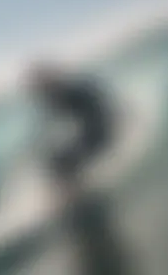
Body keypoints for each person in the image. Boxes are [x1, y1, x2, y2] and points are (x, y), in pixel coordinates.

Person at [28, 62, 115, 197]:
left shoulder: (74, 90)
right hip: (89, 131)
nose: (40, 89)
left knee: (62, 162)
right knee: (54, 160)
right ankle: (72, 189)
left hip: (102, 130)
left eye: (42, 83)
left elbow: (99, 110)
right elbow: (51, 120)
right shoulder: (54, 96)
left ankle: (76, 192)